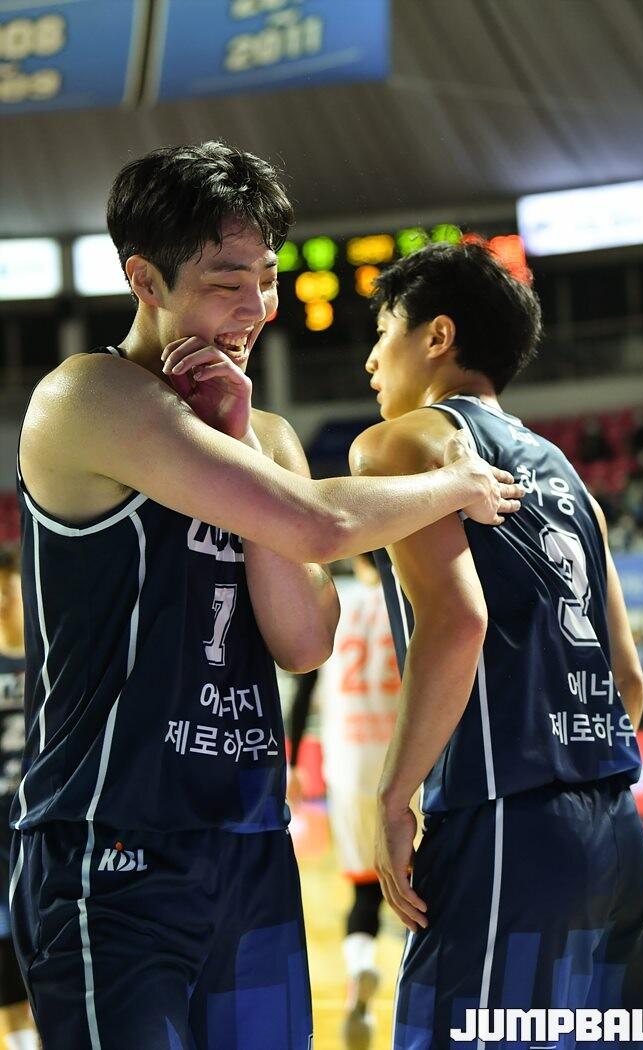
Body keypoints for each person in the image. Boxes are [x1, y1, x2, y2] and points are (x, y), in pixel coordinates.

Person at [10, 143, 523, 1050]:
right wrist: (456, 484)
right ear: (145, 280)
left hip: (251, 845)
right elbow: (319, 525)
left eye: (268, 279)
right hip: (111, 849)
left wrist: (244, 438)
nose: (256, 308)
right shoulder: (86, 397)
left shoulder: (271, 435)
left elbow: (303, 640)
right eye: (227, 283)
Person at [350, 241, 643, 1049]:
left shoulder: (398, 444)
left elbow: (458, 622)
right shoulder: (573, 481)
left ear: (437, 336)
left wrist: (392, 796)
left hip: (505, 827)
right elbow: (628, 681)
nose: (372, 360)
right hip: (617, 836)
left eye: (383, 332)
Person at [288, 553, 403, 1050]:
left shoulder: (336, 600)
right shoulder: (412, 593)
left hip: (349, 764)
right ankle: (422, 995)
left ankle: (360, 969)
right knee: (425, 887)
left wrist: (293, 762)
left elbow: (303, 683)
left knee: (364, 890)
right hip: (407, 763)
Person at [0, 546, 37, 1050]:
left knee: (47, 937)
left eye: (10, 589)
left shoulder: (48, 656)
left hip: (39, 819)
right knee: (5, 943)